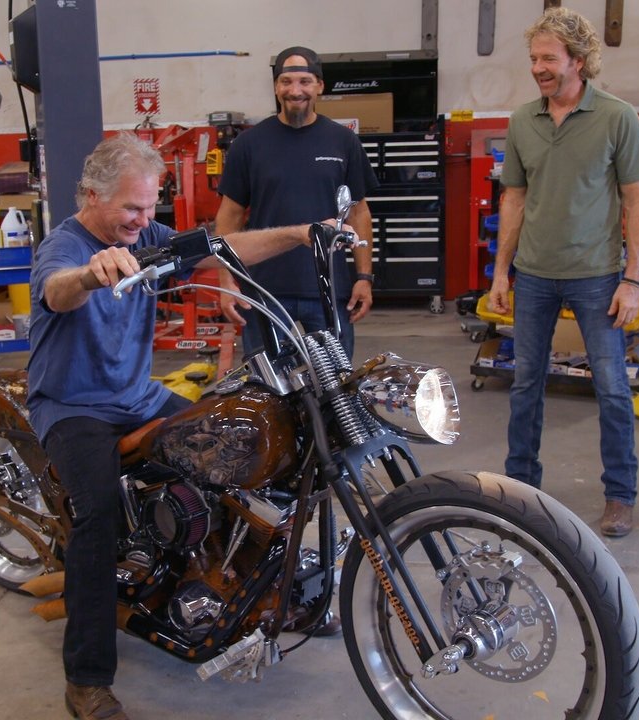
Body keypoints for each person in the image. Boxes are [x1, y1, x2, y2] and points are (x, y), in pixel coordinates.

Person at [26, 132, 342, 720]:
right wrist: (92, 274)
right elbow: (56, 290)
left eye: (151, 208)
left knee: (233, 450)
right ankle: (86, 679)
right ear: (92, 195)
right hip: (73, 406)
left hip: (138, 396)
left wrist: (302, 233)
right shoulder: (65, 246)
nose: (144, 221)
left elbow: (223, 247)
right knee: (96, 518)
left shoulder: (147, 237)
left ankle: (252, 593)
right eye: (132, 208)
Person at [486, 7, 639, 538]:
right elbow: (514, 200)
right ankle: (520, 488)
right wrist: (501, 272)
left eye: (549, 59)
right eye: (534, 58)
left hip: (597, 276)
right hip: (534, 275)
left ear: (578, 61)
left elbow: (637, 199)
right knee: (525, 386)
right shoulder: (522, 121)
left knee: (612, 388)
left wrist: (633, 279)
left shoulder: (618, 117)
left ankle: (620, 495)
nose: (538, 68)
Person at [215, 45, 379, 359]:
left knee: (335, 382)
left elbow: (359, 214)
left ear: (320, 86)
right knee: (268, 384)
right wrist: (226, 279)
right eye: (286, 82)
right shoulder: (248, 144)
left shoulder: (343, 141)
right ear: (276, 87)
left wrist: (364, 278)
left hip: (330, 290)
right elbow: (229, 216)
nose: (295, 90)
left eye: (305, 81)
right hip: (264, 291)